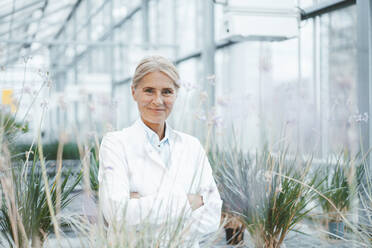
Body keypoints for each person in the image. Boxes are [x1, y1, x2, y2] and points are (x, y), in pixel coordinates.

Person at [98, 55, 222, 247]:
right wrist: (187, 202)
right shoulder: (115, 144)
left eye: (166, 92)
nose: (158, 100)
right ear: (134, 92)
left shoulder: (192, 146)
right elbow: (116, 214)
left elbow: (213, 216)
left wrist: (141, 211)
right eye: (149, 91)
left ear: (176, 94)